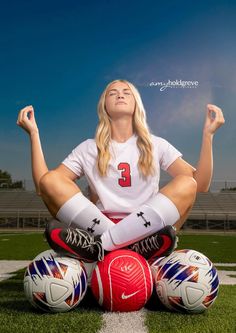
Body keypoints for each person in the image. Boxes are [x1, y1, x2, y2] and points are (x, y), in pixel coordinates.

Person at [17, 79, 225, 264]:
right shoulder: (89, 147)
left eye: (126, 92)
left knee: (187, 183)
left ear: (136, 104)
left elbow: (201, 184)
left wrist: (208, 136)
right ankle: (126, 246)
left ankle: (100, 246)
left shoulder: (156, 144)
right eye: (112, 92)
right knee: (52, 179)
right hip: (98, 225)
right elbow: (44, 186)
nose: (120, 94)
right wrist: (34, 134)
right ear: (104, 106)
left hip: (147, 230)